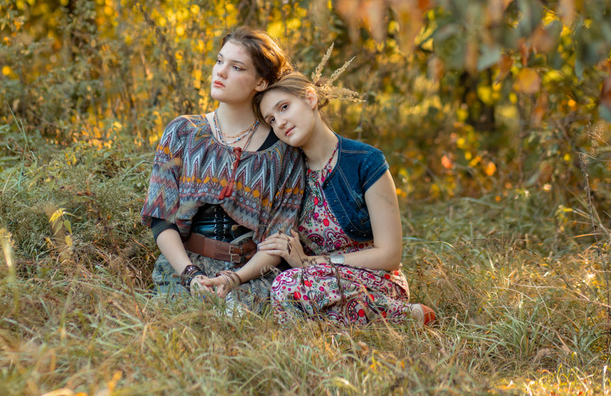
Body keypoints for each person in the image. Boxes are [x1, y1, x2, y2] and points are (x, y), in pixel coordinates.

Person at [140, 27, 306, 311]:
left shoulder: (283, 152)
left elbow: (277, 239)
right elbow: (160, 218)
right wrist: (191, 275)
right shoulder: (183, 132)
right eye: (219, 61)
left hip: (250, 275)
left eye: (236, 67)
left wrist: (234, 279)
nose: (221, 72)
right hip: (185, 269)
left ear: (261, 82)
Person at [254, 70, 436, 325]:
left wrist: (314, 262)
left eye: (284, 107)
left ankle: (404, 314)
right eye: (271, 119)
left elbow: (390, 255)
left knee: (286, 285)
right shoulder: (288, 174)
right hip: (315, 281)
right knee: (277, 287)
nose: (280, 122)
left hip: (374, 281)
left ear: (310, 98)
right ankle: (362, 327)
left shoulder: (365, 161)